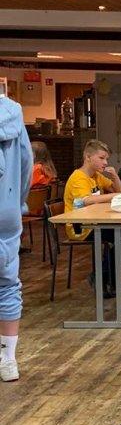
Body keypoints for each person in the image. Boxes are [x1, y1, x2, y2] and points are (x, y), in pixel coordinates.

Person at [64, 139, 121, 299]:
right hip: (81, 227)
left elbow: (117, 191)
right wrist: (113, 196)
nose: (105, 162)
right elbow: (86, 200)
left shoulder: (96, 176)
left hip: (96, 221)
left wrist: (115, 177)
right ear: (88, 157)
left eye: (106, 159)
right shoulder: (78, 178)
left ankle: (103, 275)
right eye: (101, 158)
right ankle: (105, 276)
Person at [1, 95, 32, 382]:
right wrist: (17, 202)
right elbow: (26, 162)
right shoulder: (12, 112)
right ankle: (8, 360)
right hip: (6, 209)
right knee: (8, 283)